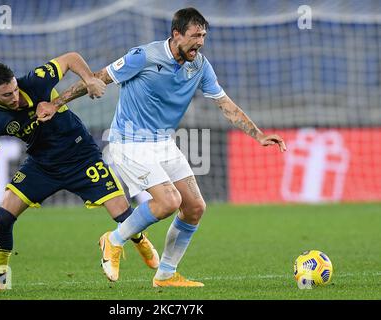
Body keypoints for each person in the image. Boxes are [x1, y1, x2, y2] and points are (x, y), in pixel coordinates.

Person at [36, 8, 287, 287]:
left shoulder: (200, 66)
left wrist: (259, 135)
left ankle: (166, 274)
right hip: (129, 142)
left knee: (194, 207)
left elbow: (225, 104)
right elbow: (98, 77)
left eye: (203, 36)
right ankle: (113, 239)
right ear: (176, 34)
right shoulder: (144, 56)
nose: (200, 42)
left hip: (162, 142)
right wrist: (56, 104)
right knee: (168, 201)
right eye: (194, 36)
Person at [0, 52, 159, 292]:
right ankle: (0, 280)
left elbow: (71, 58)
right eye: (7, 95)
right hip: (42, 165)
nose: (15, 97)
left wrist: (90, 79)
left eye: (15, 89)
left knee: (123, 214)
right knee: (2, 219)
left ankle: (139, 239)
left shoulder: (36, 80)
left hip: (80, 155)